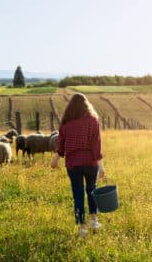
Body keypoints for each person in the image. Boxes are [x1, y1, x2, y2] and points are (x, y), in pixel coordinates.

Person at [50, 93, 105, 237]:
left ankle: (82, 228)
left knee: (78, 194)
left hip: (73, 164)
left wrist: (55, 159)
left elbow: (61, 146)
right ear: (86, 105)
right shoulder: (93, 121)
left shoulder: (65, 124)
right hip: (90, 163)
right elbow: (96, 145)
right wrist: (101, 165)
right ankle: (94, 220)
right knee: (92, 190)